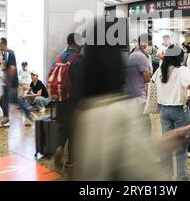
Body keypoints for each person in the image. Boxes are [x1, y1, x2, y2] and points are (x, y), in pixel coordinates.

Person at [73, 19, 170, 181]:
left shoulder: (85, 109)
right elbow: (144, 170)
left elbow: (123, 153)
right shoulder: (118, 110)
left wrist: (166, 143)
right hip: (138, 101)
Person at [155, 45, 190, 181]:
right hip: (179, 111)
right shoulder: (182, 70)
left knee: (166, 144)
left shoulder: (161, 70)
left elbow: (152, 83)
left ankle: (166, 176)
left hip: (164, 111)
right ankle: (182, 177)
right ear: (179, 57)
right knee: (180, 146)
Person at [52, 33, 83, 171]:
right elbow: (81, 82)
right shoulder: (78, 59)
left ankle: (59, 147)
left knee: (61, 126)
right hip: (74, 100)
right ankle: (71, 160)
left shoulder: (59, 58)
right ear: (77, 43)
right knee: (74, 130)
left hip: (60, 98)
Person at [0, 38, 37, 127]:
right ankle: (28, 114)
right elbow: (10, 67)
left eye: (0, 45)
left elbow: (12, 68)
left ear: (4, 44)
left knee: (7, 100)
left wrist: (9, 81)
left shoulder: (10, 53)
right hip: (11, 82)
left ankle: (6, 118)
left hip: (11, 83)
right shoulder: (9, 54)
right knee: (13, 100)